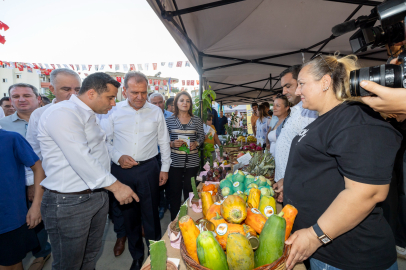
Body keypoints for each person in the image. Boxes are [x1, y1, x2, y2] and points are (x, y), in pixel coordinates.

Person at [284, 54, 400, 270]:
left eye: (302, 84)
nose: (297, 91)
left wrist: (314, 236)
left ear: (326, 82)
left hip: (350, 257)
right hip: (328, 254)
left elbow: (369, 192)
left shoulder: (354, 119)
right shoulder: (328, 118)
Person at [39, 72, 138, 270]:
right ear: (91, 93)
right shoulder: (63, 113)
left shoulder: (89, 114)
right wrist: (117, 187)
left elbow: (99, 148)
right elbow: (80, 155)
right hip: (69, 202)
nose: (113, 104)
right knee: (69, 265)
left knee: (89, 257)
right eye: (110, 97)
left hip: (96, 196)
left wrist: (117, 157)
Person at [101, 72, 171, 270]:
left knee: (151, 216)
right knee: (129, 217)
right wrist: (118, 158)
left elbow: (163, 141)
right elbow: (105, 141)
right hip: (122, 171)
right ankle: (137, 257)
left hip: (149, 168)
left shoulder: (155, 111)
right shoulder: (113, 111)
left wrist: (164, 168)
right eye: (134, 92)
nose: (140, 97)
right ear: (124, 91)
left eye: (143, 92)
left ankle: (155, 256)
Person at [0, 83, 53, 270]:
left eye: (26, 95)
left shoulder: (52, 119)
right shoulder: (3, 126)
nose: (21, 99)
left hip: (51, 180)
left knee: (41, 219)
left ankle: (42, 253)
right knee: (27, 223)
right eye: (15, 96)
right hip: (13, 186)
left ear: (38, 98)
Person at [0, 127, 46, 270]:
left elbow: (38, 168)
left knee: (10, 264)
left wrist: (36, 205)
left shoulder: (11, 138)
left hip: (8, 218)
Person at [273, 65, 318, 203]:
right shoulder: (296, 110)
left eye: (288, 86)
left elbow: (311, 154)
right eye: (282, 87)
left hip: (296, 184)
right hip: (285, 182)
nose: (284, 91)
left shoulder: (310, 110)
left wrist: (289, 179)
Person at [166, 91, 204, 220]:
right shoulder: (169, 120)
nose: (185, 103)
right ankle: (175, 221)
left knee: (190, 191)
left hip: (192, 161)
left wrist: (196, 143)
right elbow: (162, 139)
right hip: (175, 162)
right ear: (176, 103)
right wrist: (171, 143)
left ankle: (189, 219)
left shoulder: (196, 120)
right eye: (182, 100)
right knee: (174, 193)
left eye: (188, 101)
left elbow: (201, 136)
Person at [149, 92, 173, 220]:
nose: (158, 105)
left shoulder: (171, 116)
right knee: (158, 183)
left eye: (160, 102)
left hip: (168, 154)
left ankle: (170, 203)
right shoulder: (147, 116)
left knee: (169, 181)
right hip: (153, 156)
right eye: (154, 103)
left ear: (164, 102)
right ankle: (161, 205)